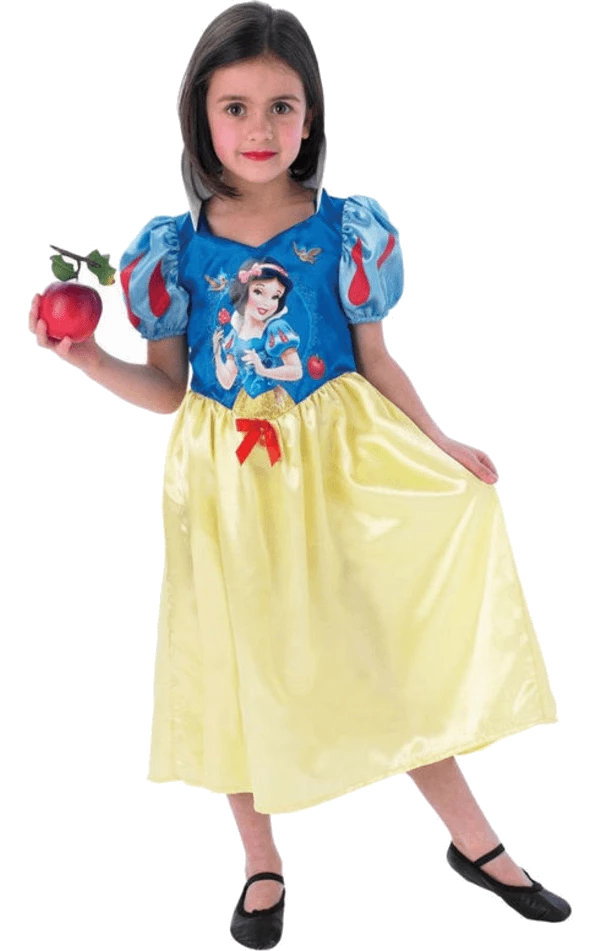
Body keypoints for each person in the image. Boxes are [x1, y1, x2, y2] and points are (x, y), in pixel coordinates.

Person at [28, 0, 571, 938]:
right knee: (240, 657)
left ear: (310, 116)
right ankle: (259, 855)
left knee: (381, 643)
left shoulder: (343, 229)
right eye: (235, 107)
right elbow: (171, 390)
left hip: (337, 465)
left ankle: (472, 837)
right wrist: (91, 359)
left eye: (281, 106)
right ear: (200, 116)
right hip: (228, 479)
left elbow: (375, 360)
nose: (259, 128)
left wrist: (442, 444)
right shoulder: (173, 249)